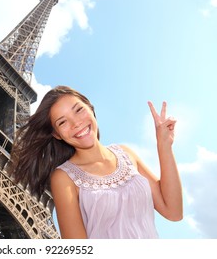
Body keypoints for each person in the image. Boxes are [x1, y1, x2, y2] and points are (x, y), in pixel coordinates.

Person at [10, 85, 183, 239]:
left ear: (91, 108)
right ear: (56, 134)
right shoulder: (64, 177)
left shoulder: (126, 153)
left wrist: (164, 146)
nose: (76, 123)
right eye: (62, 122)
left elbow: (173, 212)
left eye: (78, 110)